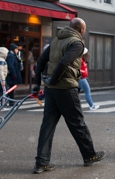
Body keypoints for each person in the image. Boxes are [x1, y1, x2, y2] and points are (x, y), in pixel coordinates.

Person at [31, 18, 105, 174]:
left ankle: (41, 162)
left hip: (51, 90)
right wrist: (54, 79)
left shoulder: (56, 41)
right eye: (84, 29)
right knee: (77, 123)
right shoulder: (77, 44)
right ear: (81, 29)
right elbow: (64, 63)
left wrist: (38, 83)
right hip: (65, 88)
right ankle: (89, 155)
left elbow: (41, 61)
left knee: (48, 125)